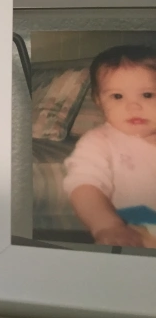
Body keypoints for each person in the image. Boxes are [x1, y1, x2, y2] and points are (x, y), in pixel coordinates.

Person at [63, 44, 156, 248]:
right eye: (117, 96)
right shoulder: (99, 142)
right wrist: (107, 226)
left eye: (147, 95)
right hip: (131, 232)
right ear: (99, 101)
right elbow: (85, 186)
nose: (133, 106)